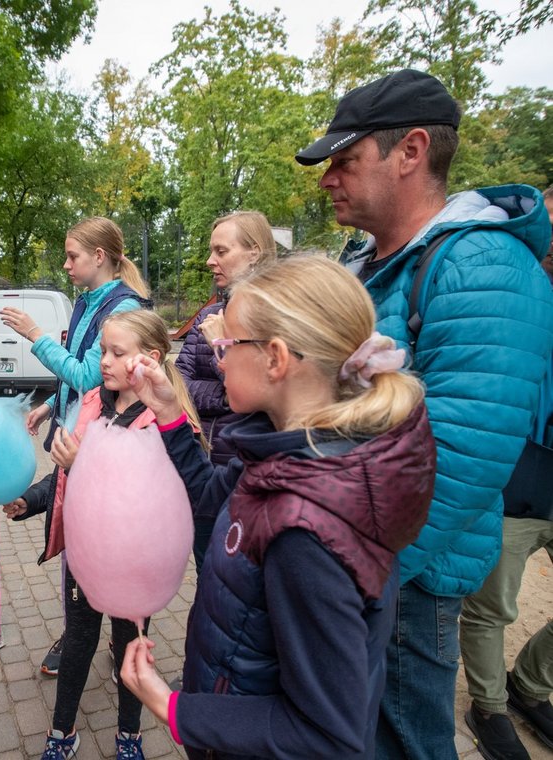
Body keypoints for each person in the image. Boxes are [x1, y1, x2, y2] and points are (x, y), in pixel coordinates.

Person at [293, 69, 553, 758]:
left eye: (344, 161)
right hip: (360, 557)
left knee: (404, 738)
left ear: (409, 151)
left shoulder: (482, 267)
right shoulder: (372, 263)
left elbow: (464, 460)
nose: (327, 180)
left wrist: (357, 571)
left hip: (403, 577)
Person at [119, 255, 435, 759]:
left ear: (275, 358)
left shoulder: (305, 529)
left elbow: (329, 734)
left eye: (227, 344)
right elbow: (207, 496)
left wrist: (172, 708)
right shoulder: (285, 446)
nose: (217, 358)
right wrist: (168, 411)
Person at [2, 310, 202, 760]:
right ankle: (61, 733)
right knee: (77, 642)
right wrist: (31, 502)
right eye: (103, 351)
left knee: (129, 646)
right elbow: (63, 475)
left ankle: (128, 737)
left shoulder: (164, 424)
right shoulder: (92, 402)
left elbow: (158, 500)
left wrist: (83, 466)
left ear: (149, 358)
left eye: (116, 352)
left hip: (135, 564)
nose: (104, 361)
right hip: (84, 554)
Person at [0, 216, 151, 677]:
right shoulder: (87, 301)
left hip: (104, 441)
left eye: (73, 256)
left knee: (93, 536)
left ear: (99, 257)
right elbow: (79, 375)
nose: (66, 265)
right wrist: (49, 405)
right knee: (73, 528)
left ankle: (100, 629)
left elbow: (89, 375)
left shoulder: (120, 308)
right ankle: (82, 622)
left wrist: (33, 336)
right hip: (76, 428)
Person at [458, 184, 553, 759]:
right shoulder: (519, 291)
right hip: (515, 485)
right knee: (493, 608)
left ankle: (531, 684)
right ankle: (490, 707)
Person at [175, 210, 277, 573]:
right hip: (206, 467)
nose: (210, 261)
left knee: (239, 574)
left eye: (221, 250)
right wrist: (224, 396)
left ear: (254, 253)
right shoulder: (209, 314)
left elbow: (264, 391)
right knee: (207, 571)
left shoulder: (275, 316)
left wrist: (221, 347)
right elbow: (180, 380)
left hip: (246, 472)